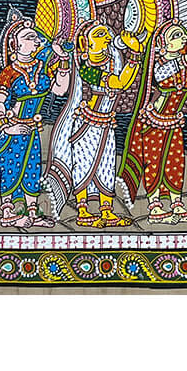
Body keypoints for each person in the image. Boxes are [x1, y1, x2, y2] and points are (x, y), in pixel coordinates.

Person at [117, 18, 187, 223]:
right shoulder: (159, 66)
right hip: (153, 122)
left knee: (175, 162)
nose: (183, 38)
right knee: (154, 163)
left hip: (174, 122)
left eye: (183, 34)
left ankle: (177, 204)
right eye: (176, 36)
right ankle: (155, 207)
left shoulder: (186, 68)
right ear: (162, 44)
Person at [0, 11, 73, 229]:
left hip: (32, 130)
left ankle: (32, 213)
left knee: (32, 170)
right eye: (29, 37)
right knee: (11, 168)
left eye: (35, 37)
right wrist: (6, 126)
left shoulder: (42, 68)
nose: (36, 40)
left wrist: (63, 60)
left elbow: (59, 89)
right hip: (12, 129)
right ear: (15, 45)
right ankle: (8, 213)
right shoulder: (9, 72)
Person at [46, 20, 136, 227]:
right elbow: (119, 83)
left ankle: (107, 211)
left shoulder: (113, 59)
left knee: (106, 166)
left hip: (106, 124)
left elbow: (122, 83)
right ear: (86, 43)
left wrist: (132, 53)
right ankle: (83, 211)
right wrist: (135, 56)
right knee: (84, 166)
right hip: (86, 125)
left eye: (106, 33)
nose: (106, 37)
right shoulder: (86, 67)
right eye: (99, 34)